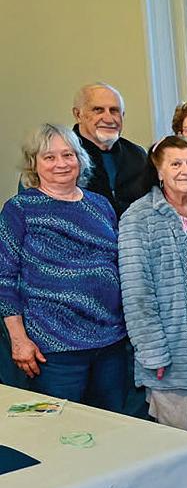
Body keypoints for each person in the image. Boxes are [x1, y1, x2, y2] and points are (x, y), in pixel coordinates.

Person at [1, 124, 128, 409]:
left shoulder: (100, 205)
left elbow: (117, 262)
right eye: (49, 157)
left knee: (113, 425)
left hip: (110, 343)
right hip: (54, 347)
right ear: (34, 164)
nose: (61, 163)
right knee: (60, 427)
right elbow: (4, 278)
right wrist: (19, 340)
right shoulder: (20, 208)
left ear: (80, 159)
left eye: (68, 155)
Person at [118, 135, 187, 430]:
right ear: (158, 170)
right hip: (172, 355)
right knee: (184, 440)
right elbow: (137, 292)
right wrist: (153, 352)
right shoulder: (139, 216)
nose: (186, 170)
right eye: (175, 164)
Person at [71, 82, 148, 216]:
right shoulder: (63, 155)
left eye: (114, 111)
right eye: (98, 110)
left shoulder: (137, 155)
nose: (108, 119)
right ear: (78, 115)